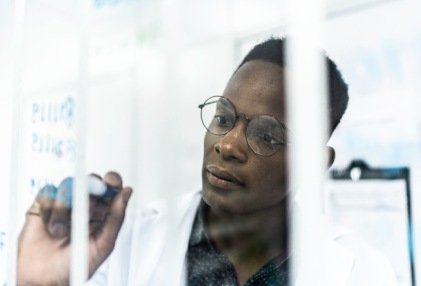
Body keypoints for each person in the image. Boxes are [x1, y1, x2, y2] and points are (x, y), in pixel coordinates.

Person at [16, 37, 397, 286]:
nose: (228, 145)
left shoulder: (366, 273)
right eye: (224, 118)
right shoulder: (122, 249)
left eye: (266, 135)